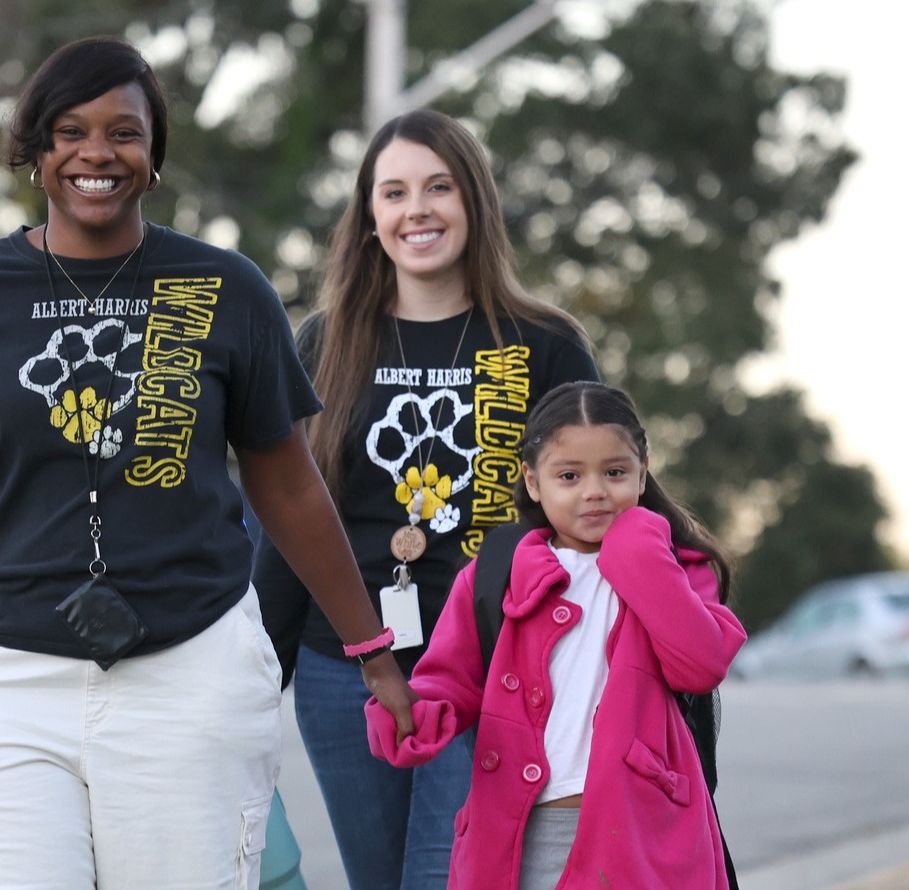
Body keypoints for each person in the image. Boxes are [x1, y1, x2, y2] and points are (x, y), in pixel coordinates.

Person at [0, 36, 415, 889]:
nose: (96, 153)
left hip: (188, 670)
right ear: (35, 151)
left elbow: (288, 486)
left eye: (123, 132)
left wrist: (374, 652)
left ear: (154, 155)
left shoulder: (223, 288)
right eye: (69, 131)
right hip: (0, 679)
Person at [251, 108, 599, 890]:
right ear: (370, 217)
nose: (418, 209)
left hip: (491, 669)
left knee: (450, 876)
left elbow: (598, 510)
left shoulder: (545, 344)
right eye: (395, 192)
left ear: (473, 202)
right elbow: (285, 519)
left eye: (439, 187)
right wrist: (252, 687)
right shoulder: (325, 342)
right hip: (344, 669)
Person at [365, 380, 746, 889]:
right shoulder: (492, 574)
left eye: (615, 472)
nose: (594, 491)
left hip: (643, 833)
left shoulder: (680, 566)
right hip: (527, 833)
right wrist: (416, 715)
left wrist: (636, 546)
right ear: (534, 481)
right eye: (569, 475)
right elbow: (451, 680)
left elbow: (700, 665)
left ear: (642, 470)